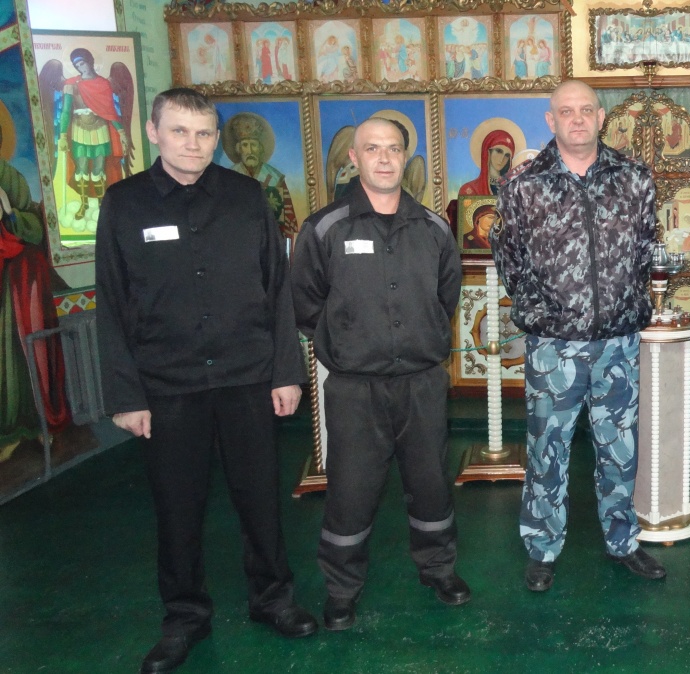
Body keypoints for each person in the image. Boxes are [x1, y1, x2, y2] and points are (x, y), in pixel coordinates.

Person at [94, 88, 317, 674]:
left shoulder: (247, 197)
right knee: (177, 507)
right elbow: (111, 303)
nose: (193, 144)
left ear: (217, 138)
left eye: (203, 133)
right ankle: (185, 617)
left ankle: (273, 599)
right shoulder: (124, 203)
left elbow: (277, 289)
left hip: (247, 377)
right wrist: (125, 395)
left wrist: (285, 372)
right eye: (179, 131)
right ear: (153, 133)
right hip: (167, 384)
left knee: (260, 498)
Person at [291, 117, 469, 631]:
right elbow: (305, 302)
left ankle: (439, 570)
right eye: (372, 149)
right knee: (351, 490)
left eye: (393, 148)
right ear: (354, 158)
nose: (385, 158)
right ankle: (341, 589)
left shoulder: (433, 228)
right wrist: (349, 341)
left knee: (430, 483)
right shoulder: (325, 228)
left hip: (422, 384)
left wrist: (418, 337)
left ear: (405, 156)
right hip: (355, 388)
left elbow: (447, 295)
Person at [491, 80, 663, 592]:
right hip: (554, 346)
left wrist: (624, 308)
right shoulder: (524, 184)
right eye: (566, 111)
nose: (578, 119)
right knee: (547, 448)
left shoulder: (632, 177)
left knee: (620, 449)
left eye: (587, 109)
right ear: (551, 121)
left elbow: (645, 250)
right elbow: (510, 259)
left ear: (601, 116)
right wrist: (540, 313)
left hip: (617, 343)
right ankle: (542, 547)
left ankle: (622, 541)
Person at [0, 125, 70, 459]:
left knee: (26, 354)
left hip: (17, 280)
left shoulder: (9, 176)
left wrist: (9, 214)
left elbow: (33, 226)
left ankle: (38, 425)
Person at [54, 48, 131, 220]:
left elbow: (110, 112)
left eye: (82, 63)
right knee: (81, 168)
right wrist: (63, 136)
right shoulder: (71, 84)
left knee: (98, 169)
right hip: (79, 130)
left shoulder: (104, 84)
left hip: (100, 129)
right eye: (77, 65)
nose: (80, 67)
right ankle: (84, 204)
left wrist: (122, 133)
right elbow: (66, 111)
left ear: (90, 61)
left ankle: (102, 204)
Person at [223, 112, 298, 239]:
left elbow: (288, 222)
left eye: (254, 145)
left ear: (260, 148)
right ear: (238, 149)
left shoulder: (276, 179)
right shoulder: (228, 178)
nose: (250, 151)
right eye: (245, 145)